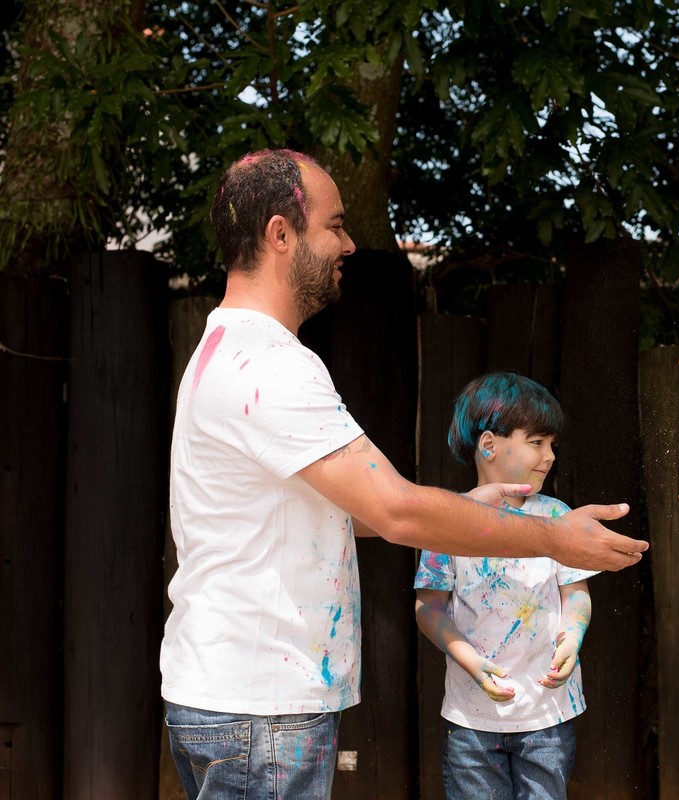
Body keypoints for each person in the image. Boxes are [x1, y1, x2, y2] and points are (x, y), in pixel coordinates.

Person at [161, 149, 647, 800]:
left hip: (236, 698)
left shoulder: (227, 350)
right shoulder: (269, 368)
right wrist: (552, 539)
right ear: (281, 234)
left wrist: (470, 504)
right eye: (334, 225)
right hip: (261, 710)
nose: (350, 243)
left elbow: (349, 511)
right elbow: (397, 512)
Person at [415, 372, 594, 799]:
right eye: (537, 442)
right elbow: (429, 607)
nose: (550, 455)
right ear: (490, 444)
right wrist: (472, 664)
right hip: (471, 720)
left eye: (552, 444)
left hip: (547, 717)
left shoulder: (557, 516)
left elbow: (576, 594)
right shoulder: (450, 518)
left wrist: (573, 639)